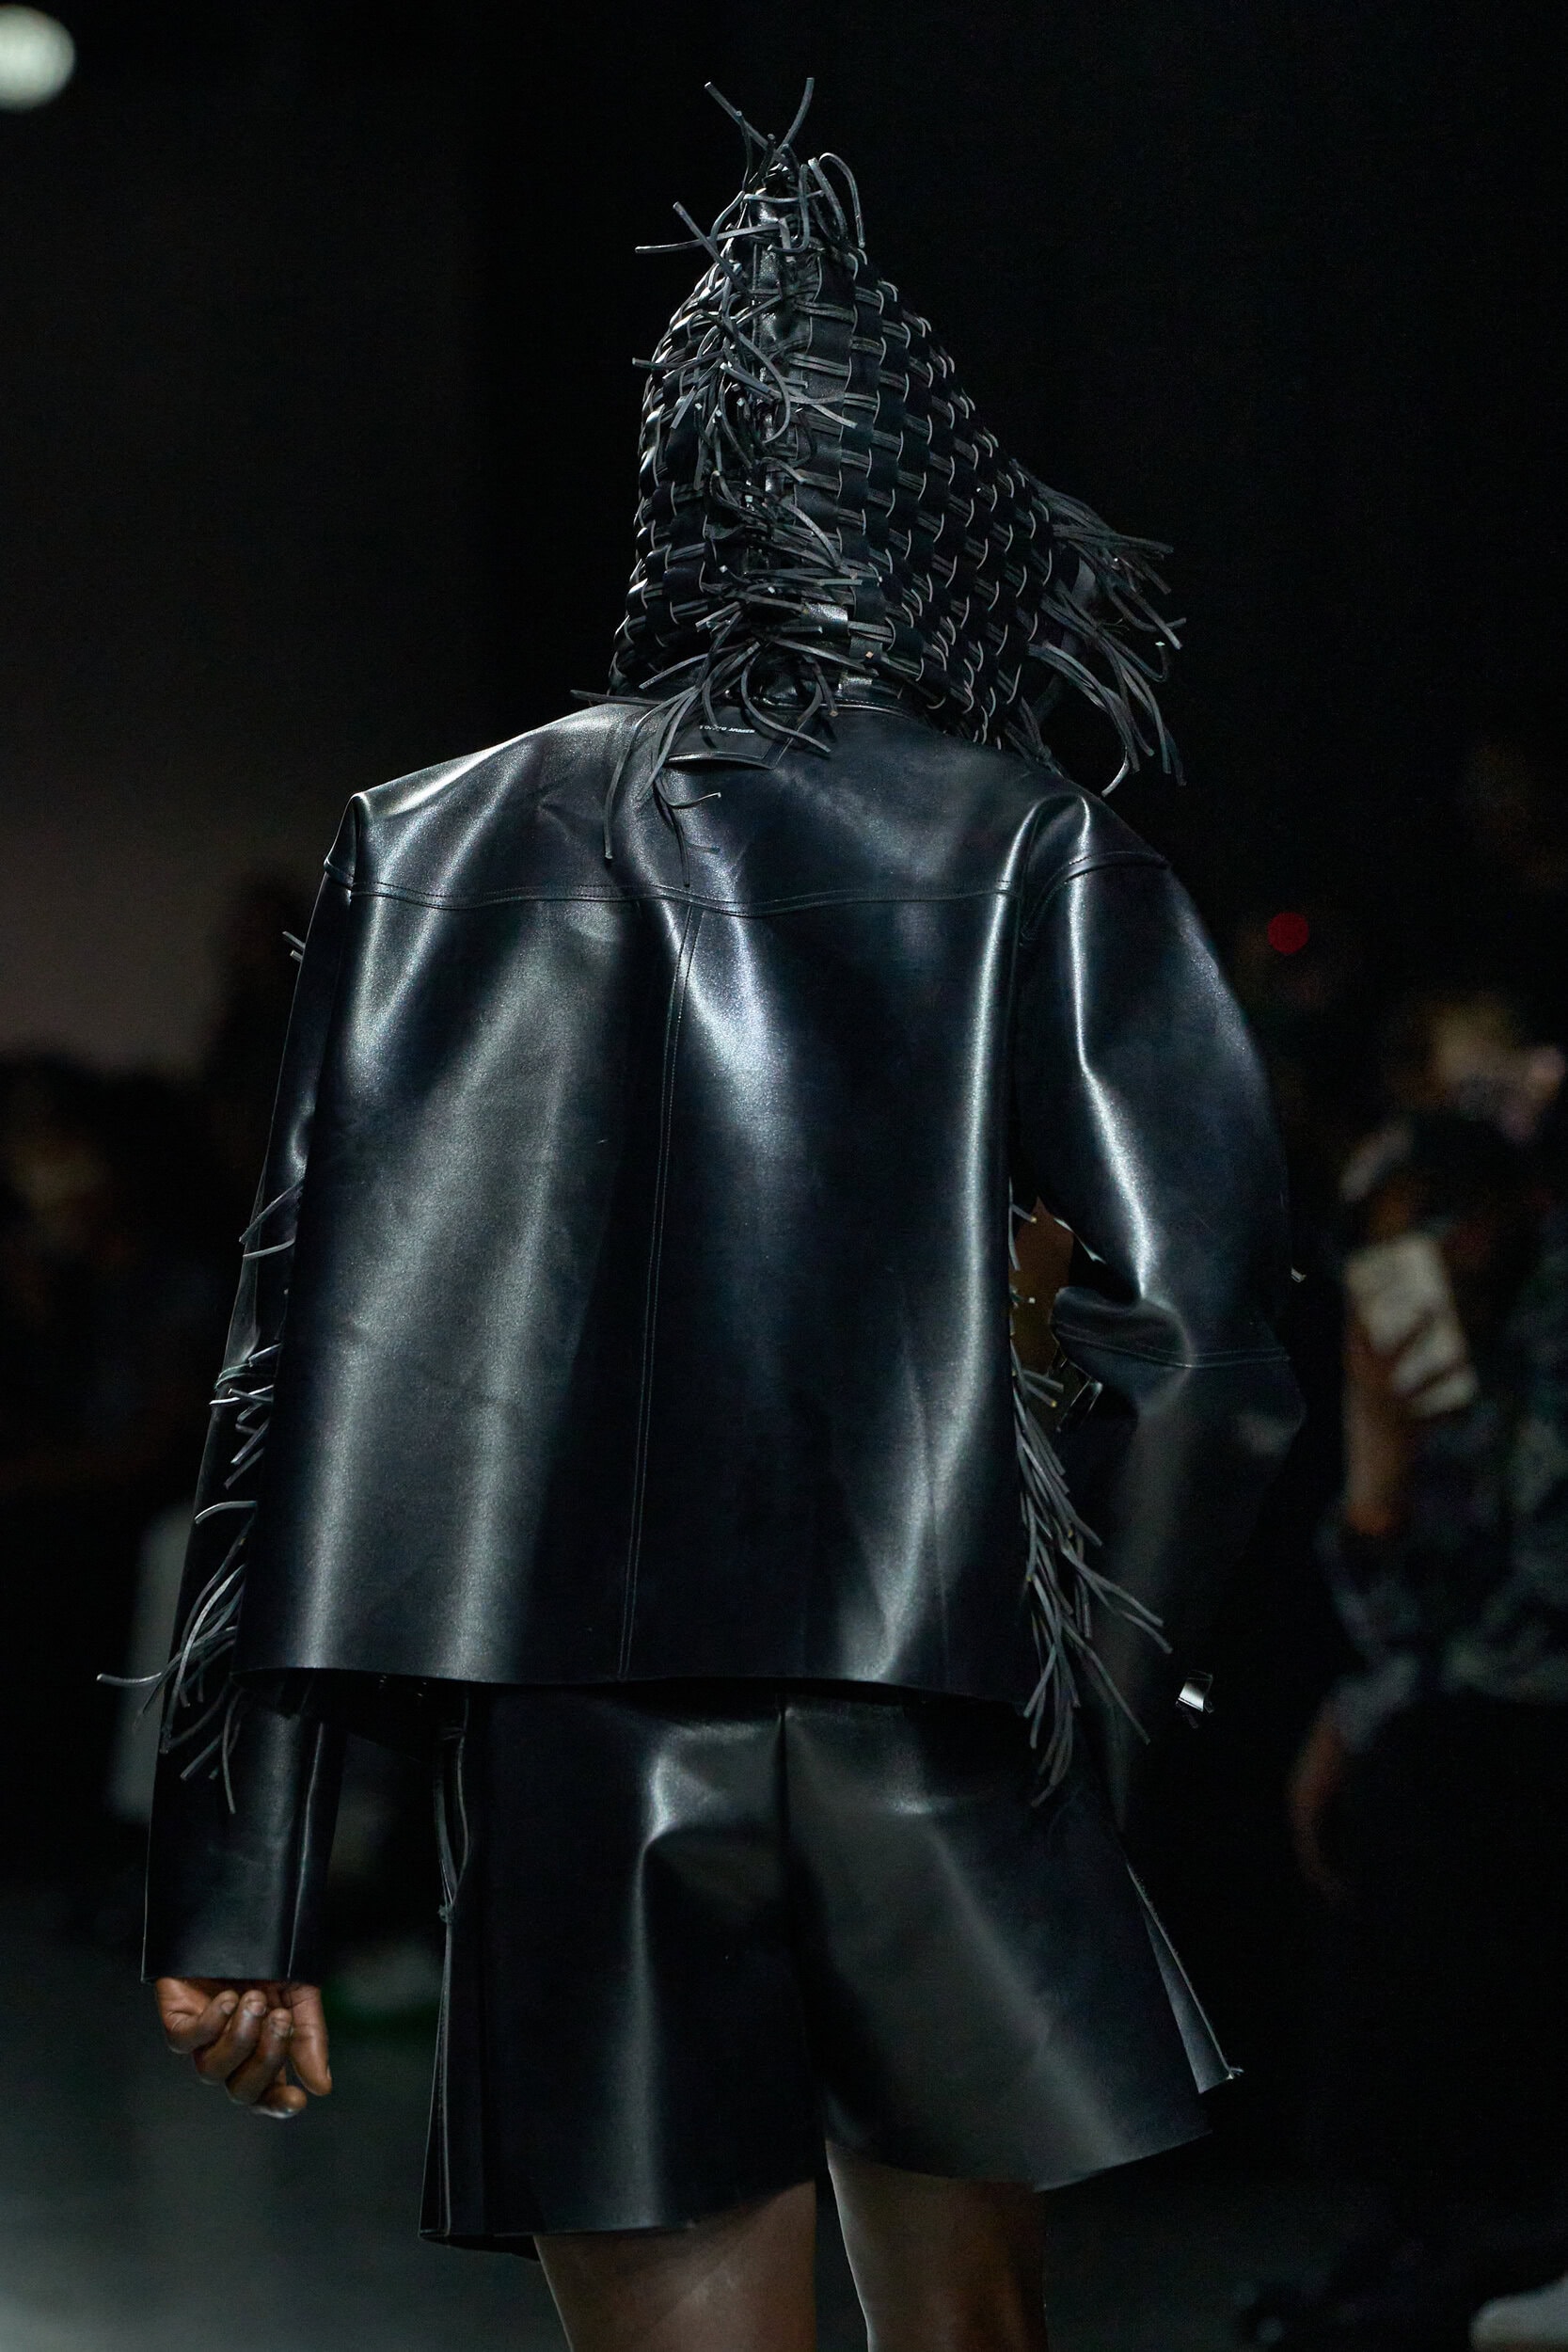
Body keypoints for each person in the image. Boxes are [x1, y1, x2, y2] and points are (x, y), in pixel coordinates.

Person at [142, 89, 1301, 2351]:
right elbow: (1210, 1344)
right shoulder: (1020, 840)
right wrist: (1087, 1706)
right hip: (935, 1706)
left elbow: (302, 1364)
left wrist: (244, 1865)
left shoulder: (434, 845)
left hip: (574, 1744)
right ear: (921, 502)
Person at [1276, 1113, 1568, 2349]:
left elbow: (1532, 1615)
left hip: (1525, 1718)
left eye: (1434, 1232)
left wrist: (1366, 1710)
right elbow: (1413, 1611)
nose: (1412, 1272)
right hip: (1489, 1712)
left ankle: (1477, 2218)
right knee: (1410, 1775)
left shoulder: (1549, 1334)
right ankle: (1417, 2221)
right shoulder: (1455, 1357)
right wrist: (1377, 1469)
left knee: (1439, 1779)